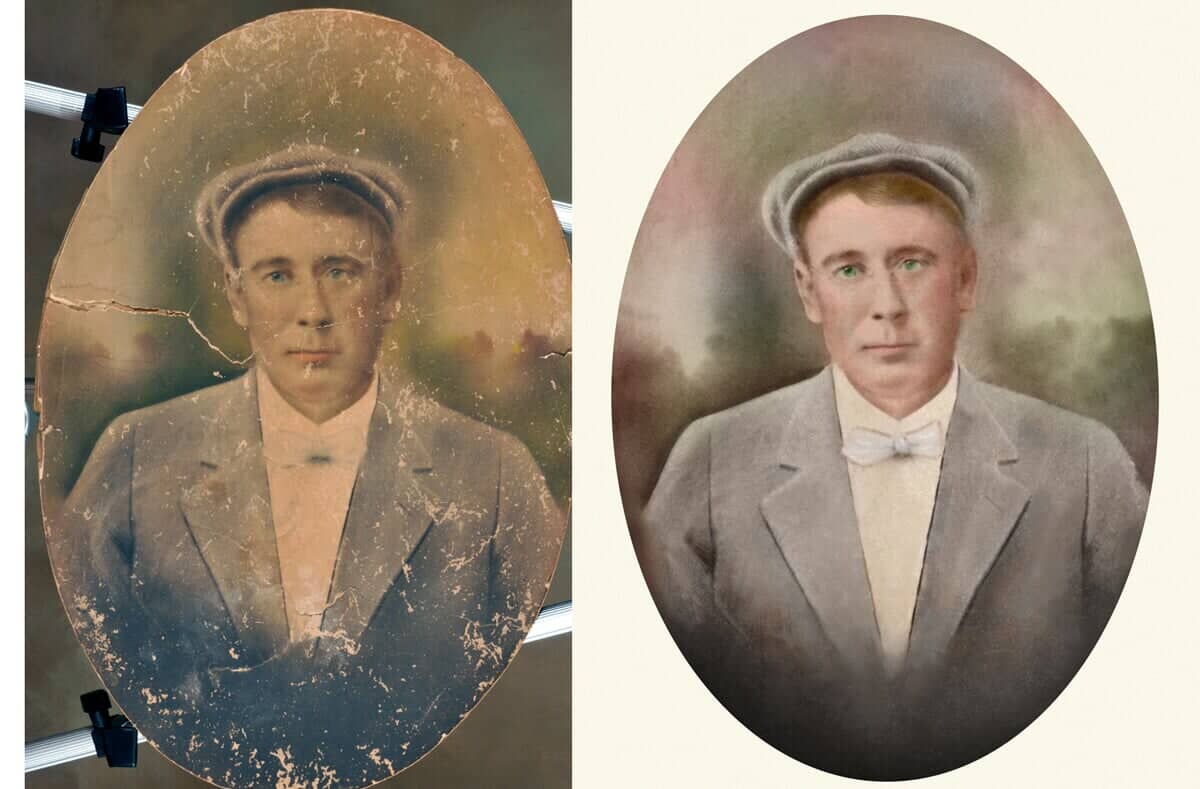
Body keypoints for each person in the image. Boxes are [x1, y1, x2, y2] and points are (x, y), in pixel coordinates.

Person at [642, 133, 1147, 779]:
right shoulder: (712, 461)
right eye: (848, 269)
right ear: (806, 289)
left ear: (965, 278)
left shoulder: (1083, 465)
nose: (886, 306)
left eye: (913, 263)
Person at [59, 146, 564, 787]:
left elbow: (538, 690)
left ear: (391, 289)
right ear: (235, 296)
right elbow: (80, 667)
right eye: (277, 275)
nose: (314, 311)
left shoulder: (494, 475)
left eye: (342, 272)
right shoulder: (136, 456)